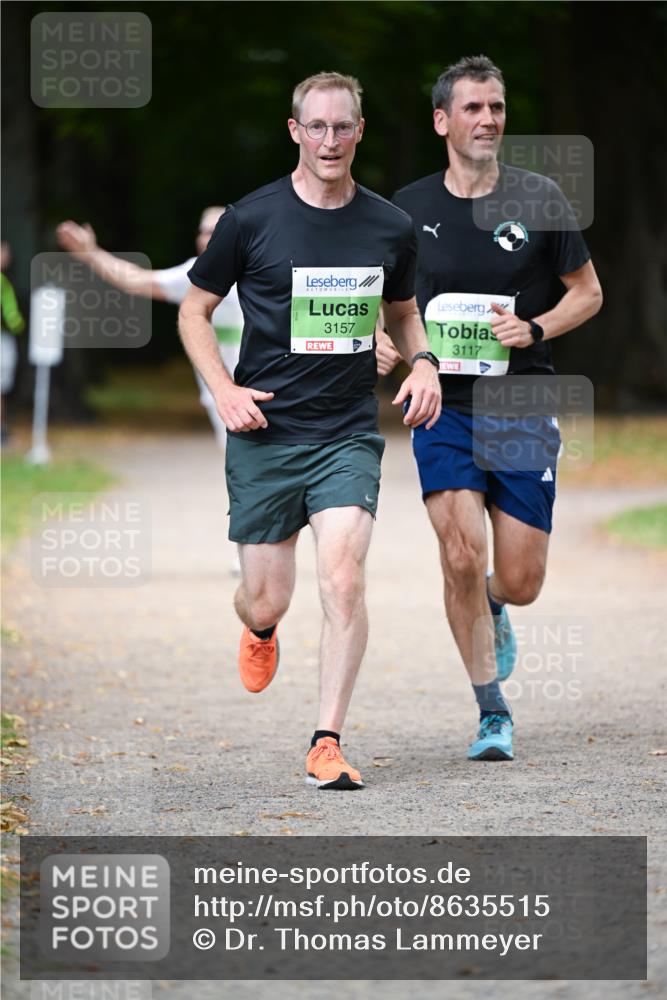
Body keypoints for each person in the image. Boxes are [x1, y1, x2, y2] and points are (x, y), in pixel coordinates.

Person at [179, 71, 441, 790]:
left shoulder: (389, 225)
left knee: (344, 579)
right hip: (264, 430)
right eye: (315, 127)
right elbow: (192, 311)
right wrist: (223, 388)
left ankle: (326, 739)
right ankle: (260, 629)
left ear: (359, 131)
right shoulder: (250, 218)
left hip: (346, 433)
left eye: (342, 126)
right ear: (295, 131)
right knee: (268, 597)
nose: (329, 140)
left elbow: (403, 311)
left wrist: (422, 363)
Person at [381, 55, 602, 762]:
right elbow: (383, 303)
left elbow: (587, 292)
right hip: (441, 403)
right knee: (457, 552)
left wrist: (535, 329)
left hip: (521, 403)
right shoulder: (406, 210)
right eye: (472, 108)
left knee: (520, 580)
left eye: (495, 108)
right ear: (442, 120)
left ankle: (495, 605)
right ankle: (490, 712)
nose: (486, 120)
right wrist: (387, 350)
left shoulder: (538, 198)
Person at [56, 207, 242, 449]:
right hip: (224, 397)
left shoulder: (256, 271)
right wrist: (91, 254)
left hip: (262, 393)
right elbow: (135, 280)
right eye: (202, 230)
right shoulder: (197, 274)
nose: (206, 237)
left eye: (215, 230)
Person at [1, 241, 26, 443]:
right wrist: (21, 327)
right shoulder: (2, 282)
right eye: (4, 251)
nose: (8, 255)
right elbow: (12, 317)